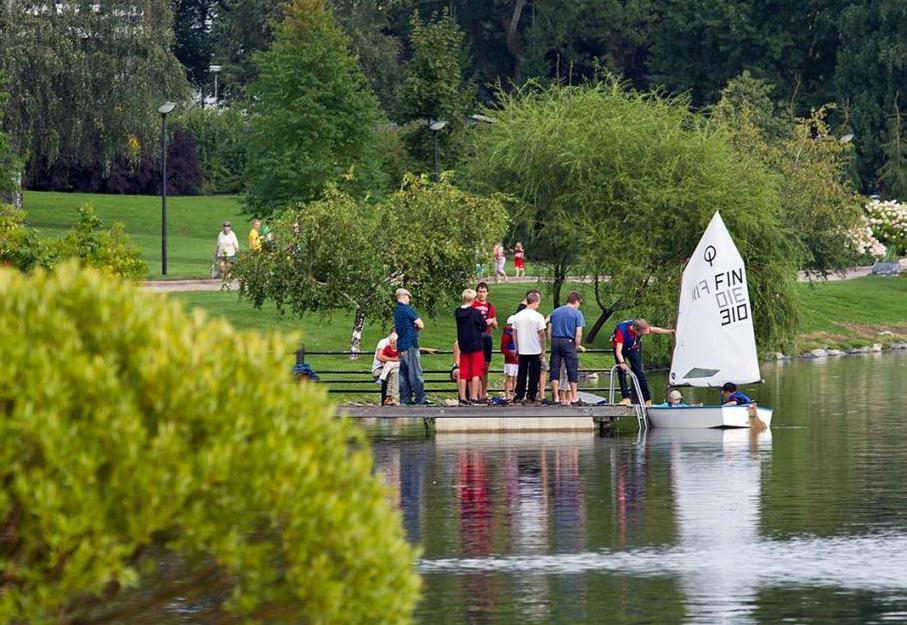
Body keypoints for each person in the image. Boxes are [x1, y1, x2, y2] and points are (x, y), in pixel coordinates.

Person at [611, 318, 674, 407]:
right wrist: (622, 362)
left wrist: (670, 331)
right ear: (636, 329)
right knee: (622, 372)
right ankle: (626, 398)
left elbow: (654, 329)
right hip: (620, 348)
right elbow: (618, 351)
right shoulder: (622, 330)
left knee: (639, 372)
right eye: (641, 334)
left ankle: (647, 399)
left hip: (632, 348)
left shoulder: (643, 328)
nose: (642, 335)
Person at [549, 291, 587, 406]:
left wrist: (552, 341)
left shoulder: (555, 312)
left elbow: (549, 329)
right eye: (579, 303)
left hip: (555, 340)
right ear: (576, 301)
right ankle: (574, 397)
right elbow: (579, 333)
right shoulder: (577, 313)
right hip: (568, 342)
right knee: (572, 369)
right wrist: (576, 345)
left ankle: (556, 397)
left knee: (555, 369)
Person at [508, 291, 547, 403]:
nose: (538, 305)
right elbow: (542, 334)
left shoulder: (518, 316)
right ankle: (531, 395)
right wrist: (543, 348)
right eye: (538, 302)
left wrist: (516, 347)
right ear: (534, 302)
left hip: (522, 349)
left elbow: (514, 333)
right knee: (534, 374)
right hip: (535, 349)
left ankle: (519, 394)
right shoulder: (538, 316)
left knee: (522, 372)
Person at [393, 288, 428, 405]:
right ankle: (420, 399)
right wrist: (416, 327)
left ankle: (405, 399)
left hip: (401, 345)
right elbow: (421, 324)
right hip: (410, 344)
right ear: (403, 296)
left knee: (403, 374)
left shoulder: (396, 311)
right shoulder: (407, 309)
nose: (409, 299)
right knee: (416, 373)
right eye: (408, 297)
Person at [455, 289, 488, 405]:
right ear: (473, 299)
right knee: (476, 372)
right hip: (476, 344)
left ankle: (463, 397)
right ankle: (474, 397)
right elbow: (483, 326)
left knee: (463, 372)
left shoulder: (458, 312)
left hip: (463, 345)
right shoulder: (475, 313)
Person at [471, 282, 498, 401]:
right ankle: (474, 394)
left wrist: (492, 321)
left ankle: (483, 393)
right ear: (477, 292)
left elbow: (496, 326)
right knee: (475, 366)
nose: (482, 294)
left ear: (487, 293)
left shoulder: (490, 306)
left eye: (484, 292)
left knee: (485, 367)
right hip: (476, 337)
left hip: (487, 337)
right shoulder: (473, 305)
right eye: (480, 291)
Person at [371, 330, 400, 405]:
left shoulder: (398, 343)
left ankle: (390, 398)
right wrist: (394, 360)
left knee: (395, 372)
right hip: (379, 370)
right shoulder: (384, 342)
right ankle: (391, 398)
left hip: (392, 369)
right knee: (393, 373)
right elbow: (379, 356)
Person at [500, 324, 518, 402]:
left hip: (517, 359)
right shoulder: (507, 335)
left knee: (515, 378)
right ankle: (508, 395)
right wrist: (511, 355)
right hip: (510, 360)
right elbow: (503, 348)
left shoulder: (517, 333)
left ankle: (515, 395)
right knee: (509, 377)